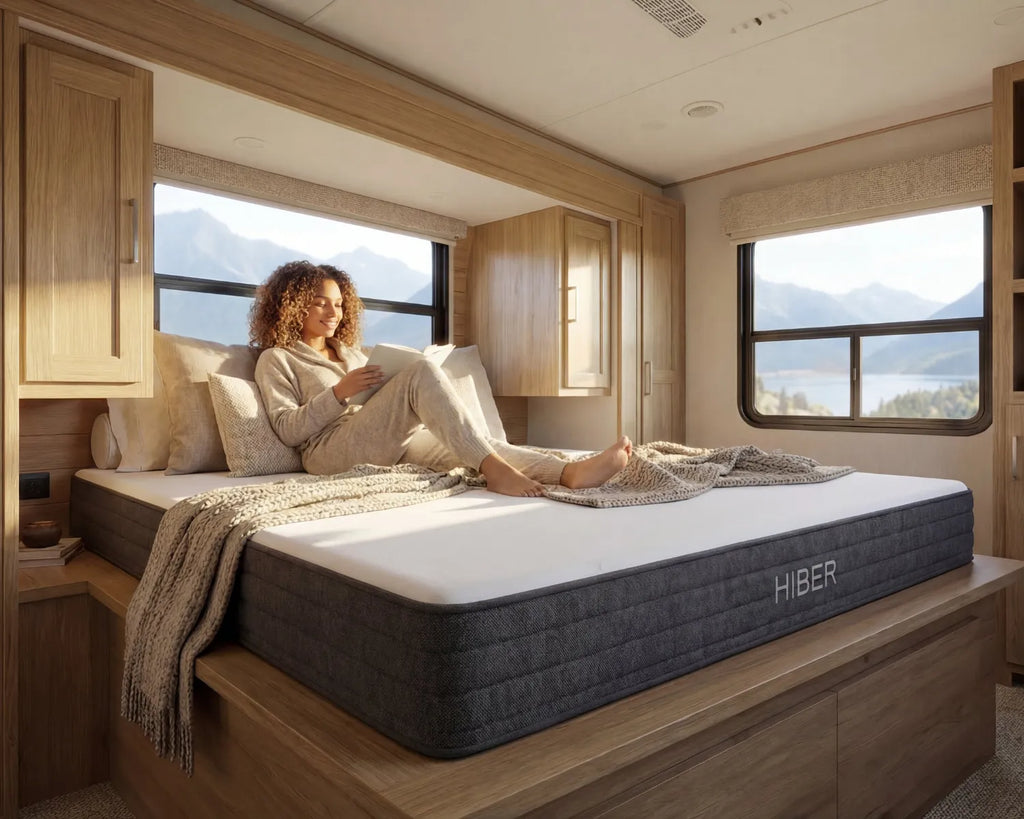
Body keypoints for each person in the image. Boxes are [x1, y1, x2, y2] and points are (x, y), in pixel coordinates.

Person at [251, 260, 631, 497]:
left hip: (382, 441)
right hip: (329, 452)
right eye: (320, 302)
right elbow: (287, 429)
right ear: (294, 305)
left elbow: (379, 403)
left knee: (467, 447)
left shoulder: (349, 352)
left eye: (338, 303)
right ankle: (498, 473)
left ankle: (569, 473)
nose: (333, 312)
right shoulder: (277, 359)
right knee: (419, 374)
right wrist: (339, 393)